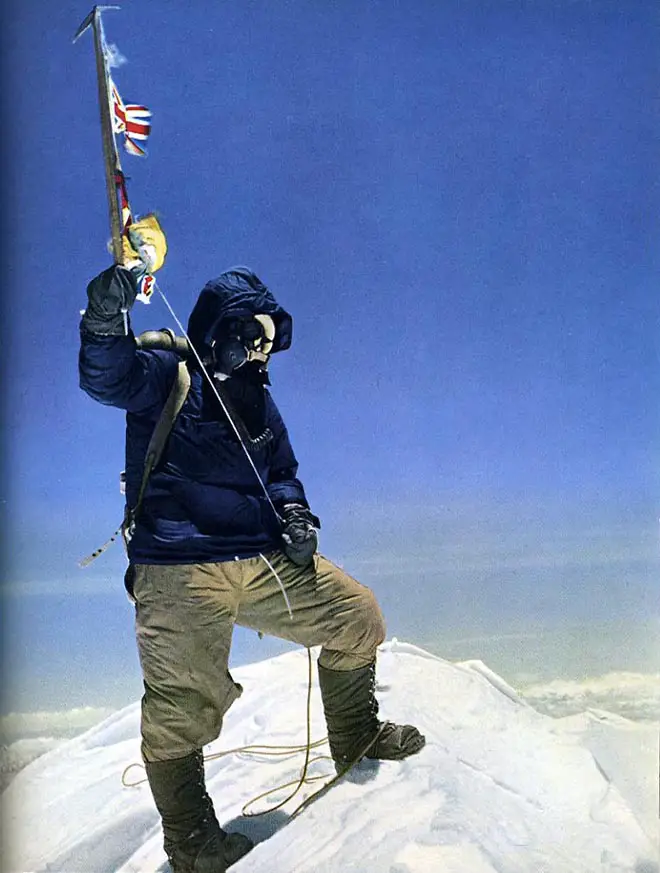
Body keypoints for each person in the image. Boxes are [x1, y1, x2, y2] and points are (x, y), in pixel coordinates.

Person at [78, 217, 425, 873]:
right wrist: (107, 313)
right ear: (220, 329)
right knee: (184, 704)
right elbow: (107, 375)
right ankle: (193, 844)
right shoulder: (165, 370)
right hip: (180, 567)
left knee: (358, 615)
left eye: (271, 340)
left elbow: (284, 473)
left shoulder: (260, 403)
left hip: (265, 559)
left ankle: (356, 737)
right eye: (253, 336)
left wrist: (297, 518)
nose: (264, 351)